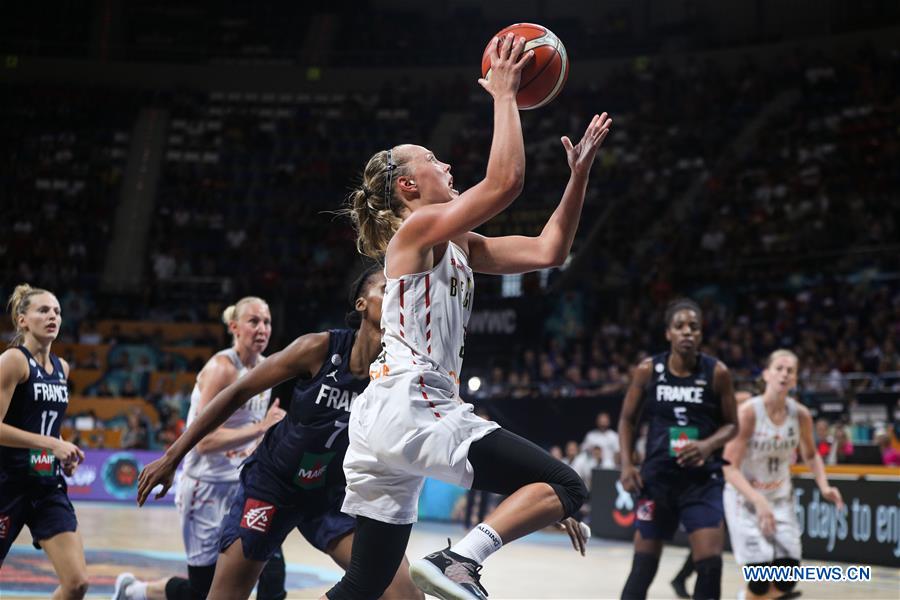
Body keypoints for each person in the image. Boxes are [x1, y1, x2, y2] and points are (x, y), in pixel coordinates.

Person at [326, 32, 611, 600]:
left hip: (388, 414)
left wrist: (577, 178)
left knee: (367, 582)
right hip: (413, 402)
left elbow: (548, 250)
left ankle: (456, 559)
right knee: (565, 485)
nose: (447, 162)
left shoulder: (460, 244)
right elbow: (505, 183)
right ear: (409, 186)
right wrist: (505, 94)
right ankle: (461, 558)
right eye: (433, 161)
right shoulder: (415, 232)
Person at [131, 268, 423, 600]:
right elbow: (235, 394)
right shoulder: (319, 347)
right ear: (360, 304)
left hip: (332, 494)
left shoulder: (398, 371)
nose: (399, 296)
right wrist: (172, 457)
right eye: (387, 289)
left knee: (405, 594)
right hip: (275, 485)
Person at [115, 297, 287, 600]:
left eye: (267, 322)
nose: (262, 328)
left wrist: (261, 442)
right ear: (234, 327)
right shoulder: (222, 368)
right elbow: (204, 442)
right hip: (205, 488)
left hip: (244, 487)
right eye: (254, 321)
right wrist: (262, 428)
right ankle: (135, 591)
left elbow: (254, 430)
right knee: (203, 592)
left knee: (272, 576)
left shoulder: (266, 369)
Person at [618, 298, 738, 600]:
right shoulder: (648, 370)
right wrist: (627, 465)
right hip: (656, 480)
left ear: (701, 334)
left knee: (710, 567)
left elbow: (732, 425)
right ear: (668, 333)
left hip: (701, 482)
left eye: (693, 327)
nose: (687, 332)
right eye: (680, 326)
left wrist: (707, 444)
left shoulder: (717, 372)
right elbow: (627, 420)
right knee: (643, 568)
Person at [723, 349, 844, 600]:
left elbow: (811, 455)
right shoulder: (748, 413)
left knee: (786, 579)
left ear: (796, 380)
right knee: (759, 580)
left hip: (779, 496)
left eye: (790, 371)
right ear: (766, 374)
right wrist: (758, 501)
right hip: (745, 499)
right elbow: (728, 466)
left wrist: (824, 486)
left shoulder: (800, 415)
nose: (784, 374)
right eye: (779, 368)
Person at [0, 284, 88, 598]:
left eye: (57, 311)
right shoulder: (13, 360)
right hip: (7, 482)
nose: (52, 316)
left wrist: (62, 450)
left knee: (77, 583)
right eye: (43, 310)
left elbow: (46, 427)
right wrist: (51, 444)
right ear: (22, 320)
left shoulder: (62, 368)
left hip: (44, 479)